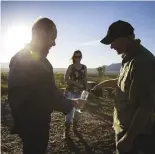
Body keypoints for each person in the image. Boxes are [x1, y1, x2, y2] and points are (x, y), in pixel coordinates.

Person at [8, 17, 79, 154]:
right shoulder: (34, 62)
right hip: (35, 126)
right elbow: (47, 96)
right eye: (53, 38)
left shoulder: (21, 57)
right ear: (41, 34)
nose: (54, 44)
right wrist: (70, 104)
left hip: (28, 125)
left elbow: (46, 92)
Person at [93, 20, 155, 154]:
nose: (111, 46)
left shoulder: (143, 62)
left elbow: (146, 106)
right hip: (123, 128)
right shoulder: (128, 58)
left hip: (138, 136)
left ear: (126, 38)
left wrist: (128, 138)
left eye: (113, 41)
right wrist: (100, 85)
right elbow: (121, 81)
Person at [64, 50, 87, 138]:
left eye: (79, 56)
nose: (78, 58)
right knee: (69, 111)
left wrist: (86, 90)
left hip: (81, 92)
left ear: (81, 57)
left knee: (78, 111)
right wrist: (75, 83)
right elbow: (65, 78)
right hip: (71, 91)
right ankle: (66, 131)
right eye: (76, 57)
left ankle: (75, 128)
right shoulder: (71, 67)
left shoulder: (84, 67)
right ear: (73, 57)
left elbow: (85, 79)